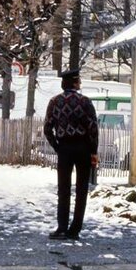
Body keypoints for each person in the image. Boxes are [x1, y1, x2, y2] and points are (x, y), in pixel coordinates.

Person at [43, 68, 99, 240]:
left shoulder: (54, 102)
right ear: (75, 83)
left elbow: (47, 129)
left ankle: (61, 227)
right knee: (81, 190)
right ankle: (75, 229)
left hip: (64, 149)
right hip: (83, 148)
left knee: (64, 189)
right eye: (79, 81)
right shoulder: (85, 102)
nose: (80, 83)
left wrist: (57, 146)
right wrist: (93, 151)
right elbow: (93, 129)